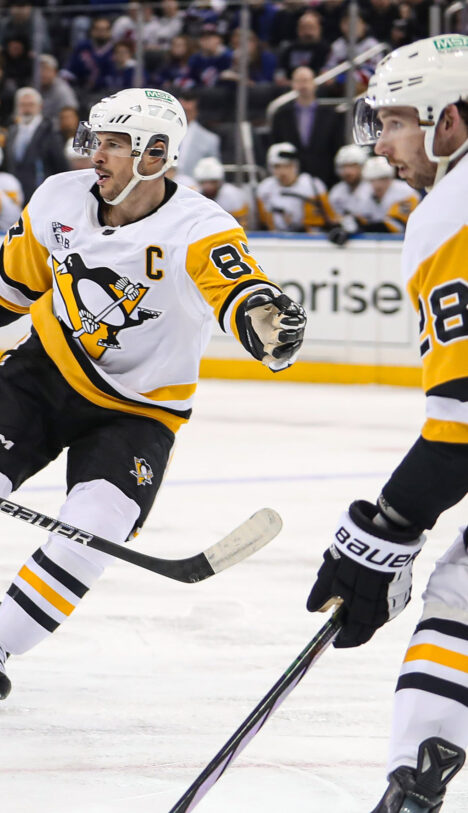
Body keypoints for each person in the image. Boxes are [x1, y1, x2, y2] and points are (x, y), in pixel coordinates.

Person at [0, 88, 306, 707]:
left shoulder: (200, 228)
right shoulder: (59, 196)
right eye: (97, 140)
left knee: (93, 531)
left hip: (141, 410)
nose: (97, 154)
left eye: (114, 143)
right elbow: (10, 284)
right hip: (42, 376)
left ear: (156, 153)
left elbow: (239, 288)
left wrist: (262, 318)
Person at [302, 35, 468, 813]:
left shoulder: (452, 209)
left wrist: (389, 525)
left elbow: (463, 415)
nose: (383, 145)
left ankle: (413, 783)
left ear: (451, 121)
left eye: (397, 120)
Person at [270, 66, 344, 187]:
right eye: (298, 81)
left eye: (306, 80)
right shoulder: (281, 115)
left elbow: (337, 146)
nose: (302, 85)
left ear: (314, 83)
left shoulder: (331, 114)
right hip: (291, 180)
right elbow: (276, 145)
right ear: (292, 85)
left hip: (325, 178)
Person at [255, 141, 340, 234]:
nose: (283, 172)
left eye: (287, 166)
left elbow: (328, 219)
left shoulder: (312, 185)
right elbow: (262, 223)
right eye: (277, 166)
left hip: (309, 239)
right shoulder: (264, 189)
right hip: (276, 240)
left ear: (296, 165)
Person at [2, 87, 66, 202]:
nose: (27, 109)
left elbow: (60, 164)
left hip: (42, 193)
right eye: (22, 105)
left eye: (30, 105)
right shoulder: (12, 131)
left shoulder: (50, 131)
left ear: (39, 107)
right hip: (17, 195)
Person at [348, 155, 421, 234]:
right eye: (372, 180)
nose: (377, 184)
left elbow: (398, 226)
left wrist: (362, 227)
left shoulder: (406, 193)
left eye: (382, 179)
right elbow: (358, 219)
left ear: (390, 178)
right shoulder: (364, 193)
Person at [192, 156, 250, 227]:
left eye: (213, 182)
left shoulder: (233, 196)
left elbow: (241, 225)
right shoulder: (193, 195)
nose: (208, 186)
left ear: (220, 181)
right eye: (204, 182)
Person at [328, 143, 368, 218]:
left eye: (352, 166)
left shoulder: (373, 189)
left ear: (362, 166)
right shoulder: (336, 192)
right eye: (343, 167)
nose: (347, 171)